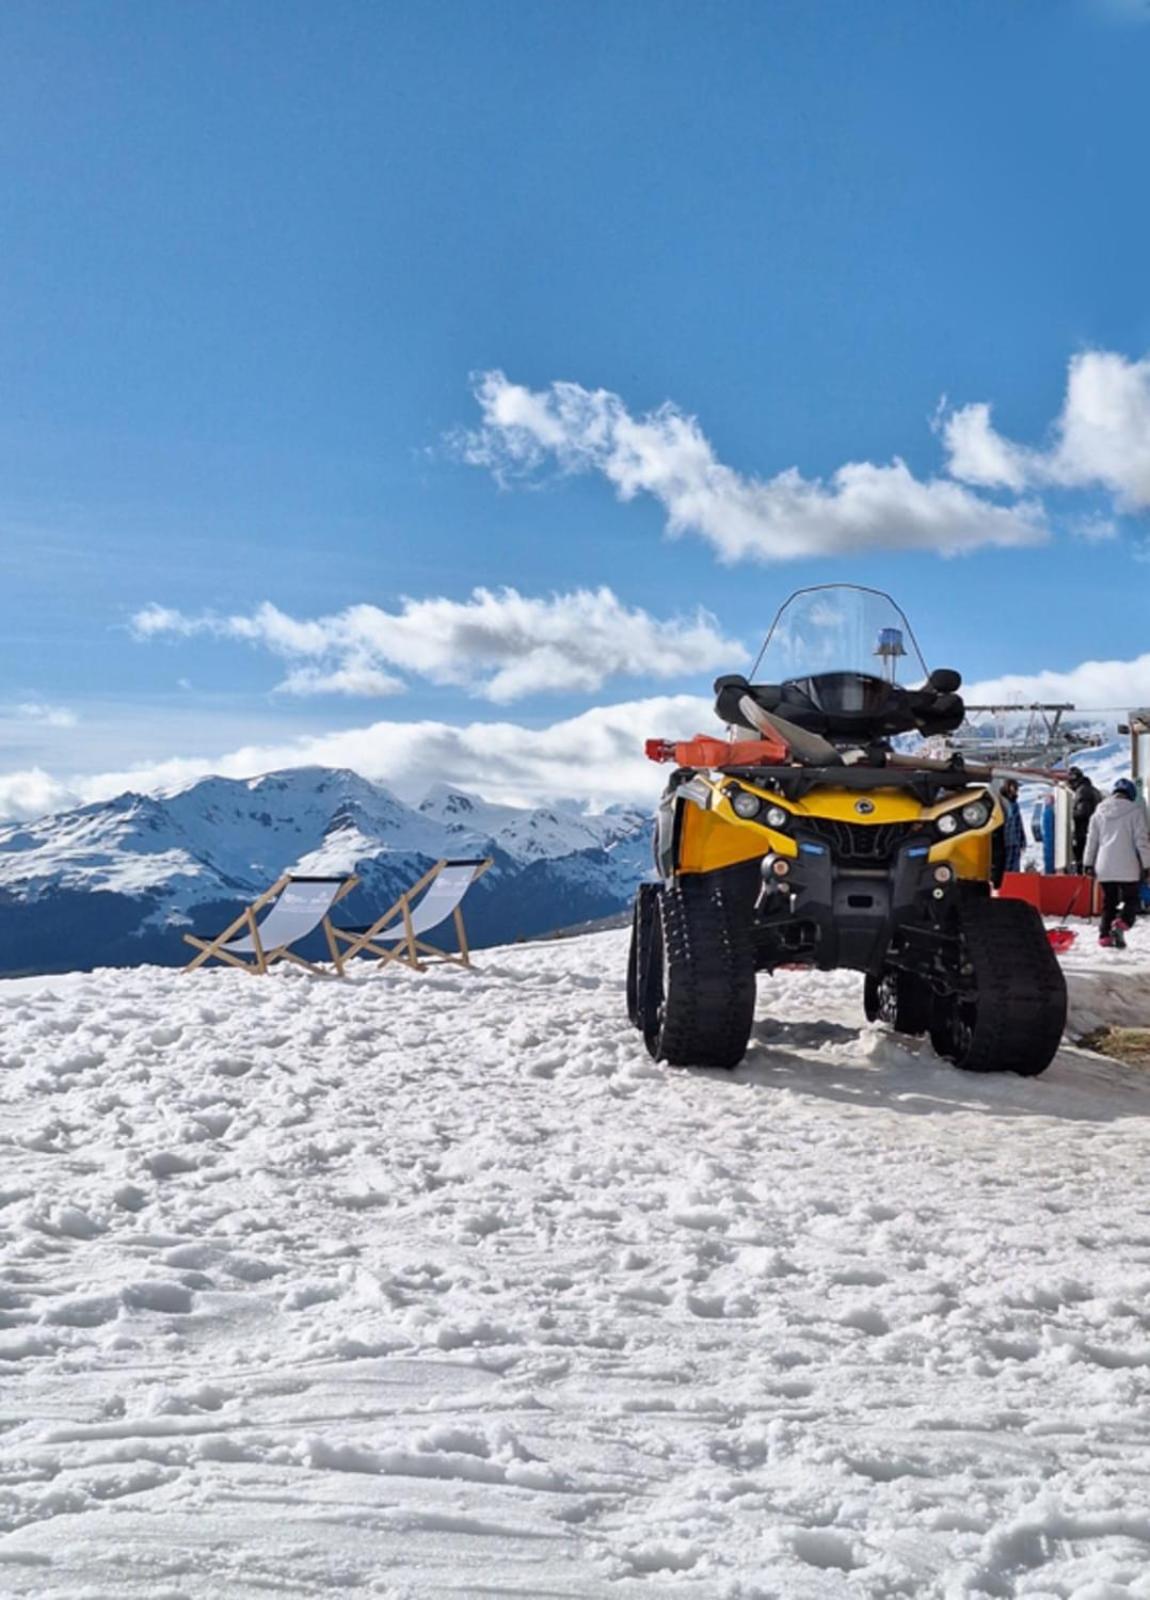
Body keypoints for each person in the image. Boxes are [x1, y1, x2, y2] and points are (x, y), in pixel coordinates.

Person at [1083, 778, 1150, 949]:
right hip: (1128, 865)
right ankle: (1122, 923)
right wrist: (1147, 865)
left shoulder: (1099, 812)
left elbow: (1092, 841)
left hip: (1104, 865)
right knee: (1131, 899)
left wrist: (1088, 863)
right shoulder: (1135, 811)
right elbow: (1141, 841)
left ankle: (1104, 935)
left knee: (1109, 902)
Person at [1067, 766, 1101, 874]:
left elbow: (1083, 812)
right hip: (1091, 832)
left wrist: (1071, 814)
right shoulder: (1092, 789)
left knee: (1082, 861)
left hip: (1083, 832)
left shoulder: (1082, 791)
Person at [999, 778, 1025, 874]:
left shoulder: (1015, 804)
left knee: (1015, 867)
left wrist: (1022, 840)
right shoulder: (1002, 802)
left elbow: (1019, 822)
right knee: (1006, 867)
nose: (1015, 791)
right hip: (1005, 841)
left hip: (1015, 841)